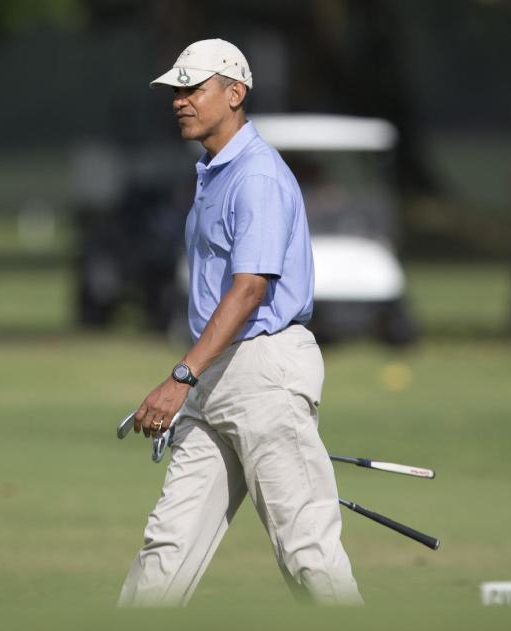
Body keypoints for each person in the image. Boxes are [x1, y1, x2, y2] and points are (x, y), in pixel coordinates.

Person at [118, 38, 362, 607]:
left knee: (307, 554)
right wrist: (194, 378)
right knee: (167, 548)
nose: (180, 101)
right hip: (215, 374)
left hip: (262, 369)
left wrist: (180, 377)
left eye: (193, 89)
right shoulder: (212, 172)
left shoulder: (256, 176)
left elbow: (251, 289)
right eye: (176, 91)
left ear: (235, 93)